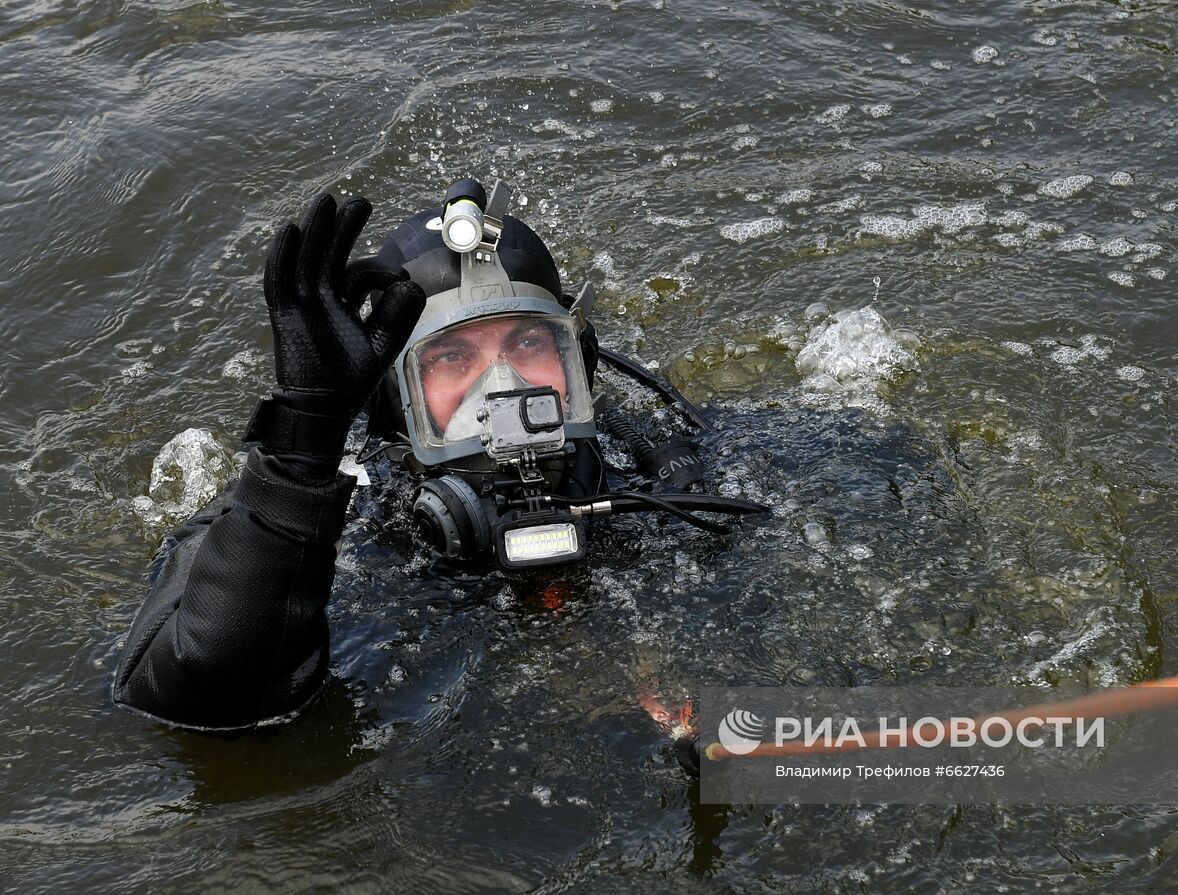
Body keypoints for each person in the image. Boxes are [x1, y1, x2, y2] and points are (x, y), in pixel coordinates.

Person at [112, 178, 764, 731]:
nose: (502, 384)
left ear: (577, 367)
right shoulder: (337, 526)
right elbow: (190, 687)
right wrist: (299, 445)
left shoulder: (660, 474)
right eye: (453, 356)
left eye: (530, 344)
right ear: (398, 402)